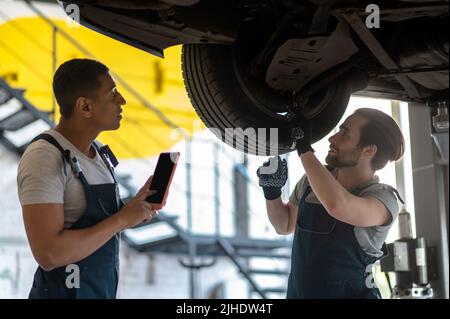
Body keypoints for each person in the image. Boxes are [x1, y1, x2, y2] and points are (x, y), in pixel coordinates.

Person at [17, 58, 160, 299]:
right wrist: (122, 220)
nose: (122, 100)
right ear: (85, 107)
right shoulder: (44, 157)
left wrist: (135, 209)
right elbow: (49, 254)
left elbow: (100, 224)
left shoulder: (99, 152)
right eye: (112, 93)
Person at [257, 108, 405, 299]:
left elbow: (338, 205)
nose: (332, 139)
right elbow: (284, 225)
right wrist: (271, 192)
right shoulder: (312, 182)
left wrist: (304, 149)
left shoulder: (384, 199)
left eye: (345, 133)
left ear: (368, 149)